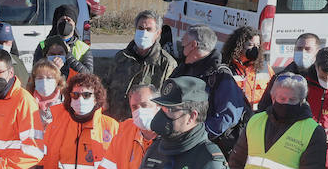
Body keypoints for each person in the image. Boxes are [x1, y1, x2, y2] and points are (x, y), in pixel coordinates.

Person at [169, 24, 246, 155]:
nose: (181, 45)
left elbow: (227, 117)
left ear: (193, 45)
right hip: (178, 144)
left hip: (207, 148)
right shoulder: (182, 69)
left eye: (183, 42)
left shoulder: (221, 76)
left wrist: (195, 134)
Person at [102, 11, 177, 123]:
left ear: (158, 33)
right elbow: (105, 84)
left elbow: (170, 102)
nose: (144, 32)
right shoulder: (121, 57)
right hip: (115, 123)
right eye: (140, 28)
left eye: (148, 29)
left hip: (144, 128)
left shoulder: (167, 64)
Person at [257, 32, 322, 111]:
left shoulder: (322, 79)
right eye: (299, 48)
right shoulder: (280, 78)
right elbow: (264, 107)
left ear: (318, 52)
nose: (303, 52)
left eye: (307, 49)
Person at [221, 25, 266, 109]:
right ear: (239, 46)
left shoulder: (265, 69)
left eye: (257, 45)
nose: (255, 48)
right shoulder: (226, 69)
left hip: (257, 117)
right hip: (237, 118)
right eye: (250, 45)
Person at [33, 4, 89, 69]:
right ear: (57, 23)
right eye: (62, 20)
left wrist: (68, 55)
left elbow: (88, 74)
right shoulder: (43, 45)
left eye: (69, 20)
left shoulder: (84, 48)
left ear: (74, 23)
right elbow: (36, 70)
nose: (65, 22)